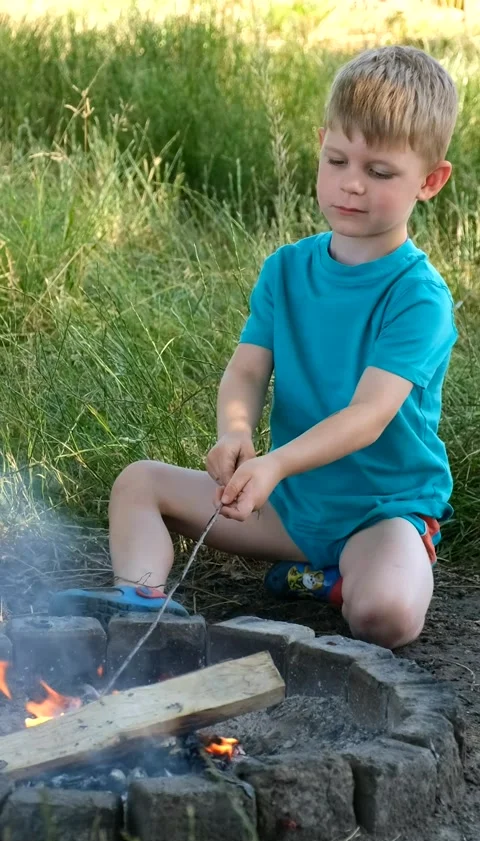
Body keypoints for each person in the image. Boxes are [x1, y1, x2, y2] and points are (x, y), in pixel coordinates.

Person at [51, 45, 459, 649]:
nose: (350, 184)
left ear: (429, 181)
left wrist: (274, 464)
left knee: (388, 616)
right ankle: (140, 602)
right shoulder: (286, 270)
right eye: (336, 159)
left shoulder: (418, 296)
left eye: (379, 172)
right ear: (320, 144)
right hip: (288, 507)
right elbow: (247, 371)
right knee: (138, 482)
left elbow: (368, 417)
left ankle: (331, 579)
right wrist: (235, 434)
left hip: (380, 511)